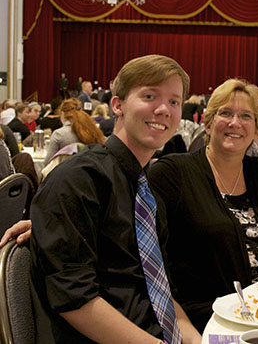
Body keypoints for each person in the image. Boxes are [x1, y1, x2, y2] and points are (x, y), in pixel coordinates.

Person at [27, 55, 201, 343]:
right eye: (149, 96)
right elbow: (74, 300)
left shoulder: (147, 190)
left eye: (174, 101)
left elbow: (159, 288)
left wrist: (195, 340)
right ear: (117, 105)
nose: (164, 110)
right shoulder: (79, 180)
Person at [147, 78, 258, 331]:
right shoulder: (173, 174)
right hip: (211, 319)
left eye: (246, 116)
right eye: (225, 113)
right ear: (208, 122)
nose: (235, 123)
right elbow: (154, 268)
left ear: (257, 130)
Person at [44, 98, 105, 165]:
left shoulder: (58, 134)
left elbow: (48, 162)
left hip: (65, 173)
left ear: (62, 114)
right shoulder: (93, 130)